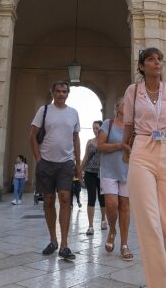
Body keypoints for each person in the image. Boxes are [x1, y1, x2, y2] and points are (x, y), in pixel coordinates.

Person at [121, 47, 166, 288]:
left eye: (160, 58)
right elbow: (128, 123)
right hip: (141, 149)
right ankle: (160, 284)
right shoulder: (133, 90)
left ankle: (158, 276)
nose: (157, 62)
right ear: (141, 66)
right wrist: (124, 146)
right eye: (151, 59)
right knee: (149, 220)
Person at [29, 80, 81, 260]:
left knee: (65, 199)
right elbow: (32, 136)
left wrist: (78, 164)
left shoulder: (73, 113)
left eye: (64, 91)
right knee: (48, 201)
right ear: (53, 93)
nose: (61, 94)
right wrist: (38, 159)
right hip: (46, 163)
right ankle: (53, 240)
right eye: (58, 91)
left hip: (66, 162)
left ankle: (65, 245)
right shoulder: (44, 111)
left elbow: (76, 139)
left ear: (68, 94)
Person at [97, 98, 133, 260]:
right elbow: (100, 146)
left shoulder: (134, 127)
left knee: (125, 206)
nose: (127, 106)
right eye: (124, 104)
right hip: (109, 170)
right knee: (112, 204)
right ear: (117, 108)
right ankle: (112, 229)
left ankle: (124, 244)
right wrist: (120, 145)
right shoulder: (108, 124)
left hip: (128, 170)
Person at [79, 120, 107, 235]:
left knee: (102, 198)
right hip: (89, 172)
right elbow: (85, 156)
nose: (95, 130)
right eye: (93, 128)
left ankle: (103, 220)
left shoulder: (106, 142)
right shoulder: (90, 142)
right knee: (91, 197)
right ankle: (90, 226)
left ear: (101, 129)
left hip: (102, 173)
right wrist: (79, 170)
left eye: (97, 128)